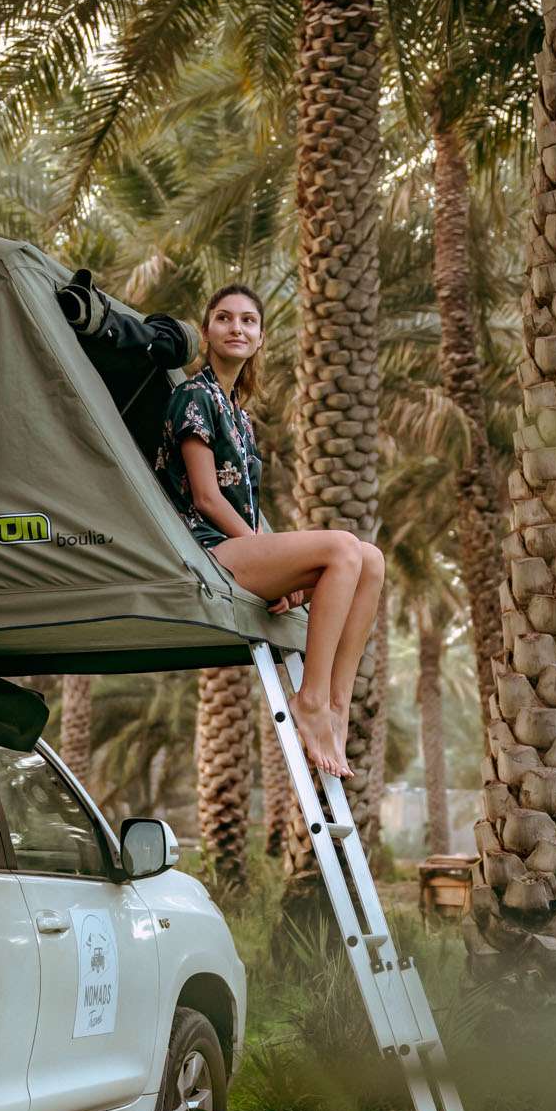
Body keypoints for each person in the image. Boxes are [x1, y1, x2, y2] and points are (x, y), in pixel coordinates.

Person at [155, 282, 384, 778]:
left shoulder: (239, 414)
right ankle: (312, 700)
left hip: (241, 547)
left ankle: (337, 705)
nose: (236, 327)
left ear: (260, 339)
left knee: (371, 559)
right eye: (224, 318)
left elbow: (250, 506)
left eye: (248, 321)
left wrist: (287, 570)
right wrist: (267, 553)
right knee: (343, 548)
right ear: (207, 331)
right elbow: (206, 497)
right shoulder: (192, 397)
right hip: (205, 549)